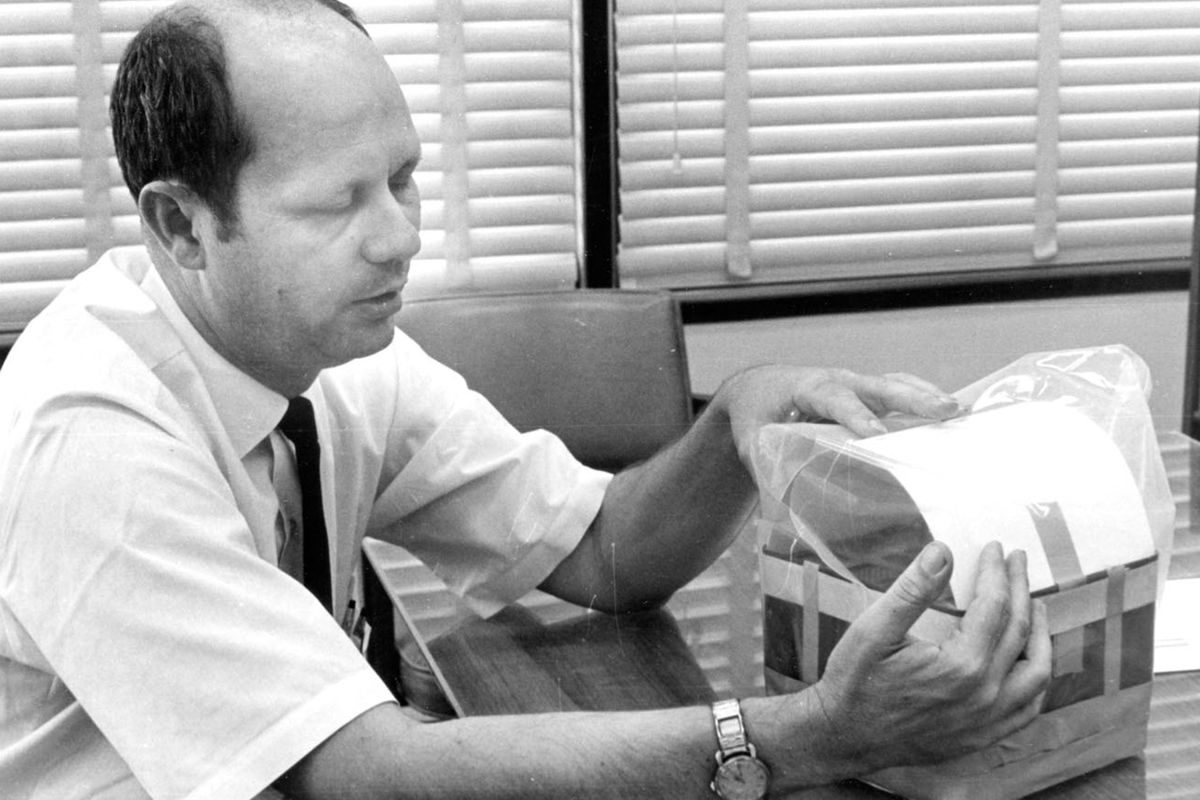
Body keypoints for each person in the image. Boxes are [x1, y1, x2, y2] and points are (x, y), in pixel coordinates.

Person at [0, 1, 1051, 798]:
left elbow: (599, 549)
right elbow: (359, 768)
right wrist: (801, 731)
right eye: (338, 203)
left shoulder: (338, 349)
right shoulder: (88, 434)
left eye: (402, 180)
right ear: (181, 226)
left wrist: (736, 416)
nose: (402, 237)